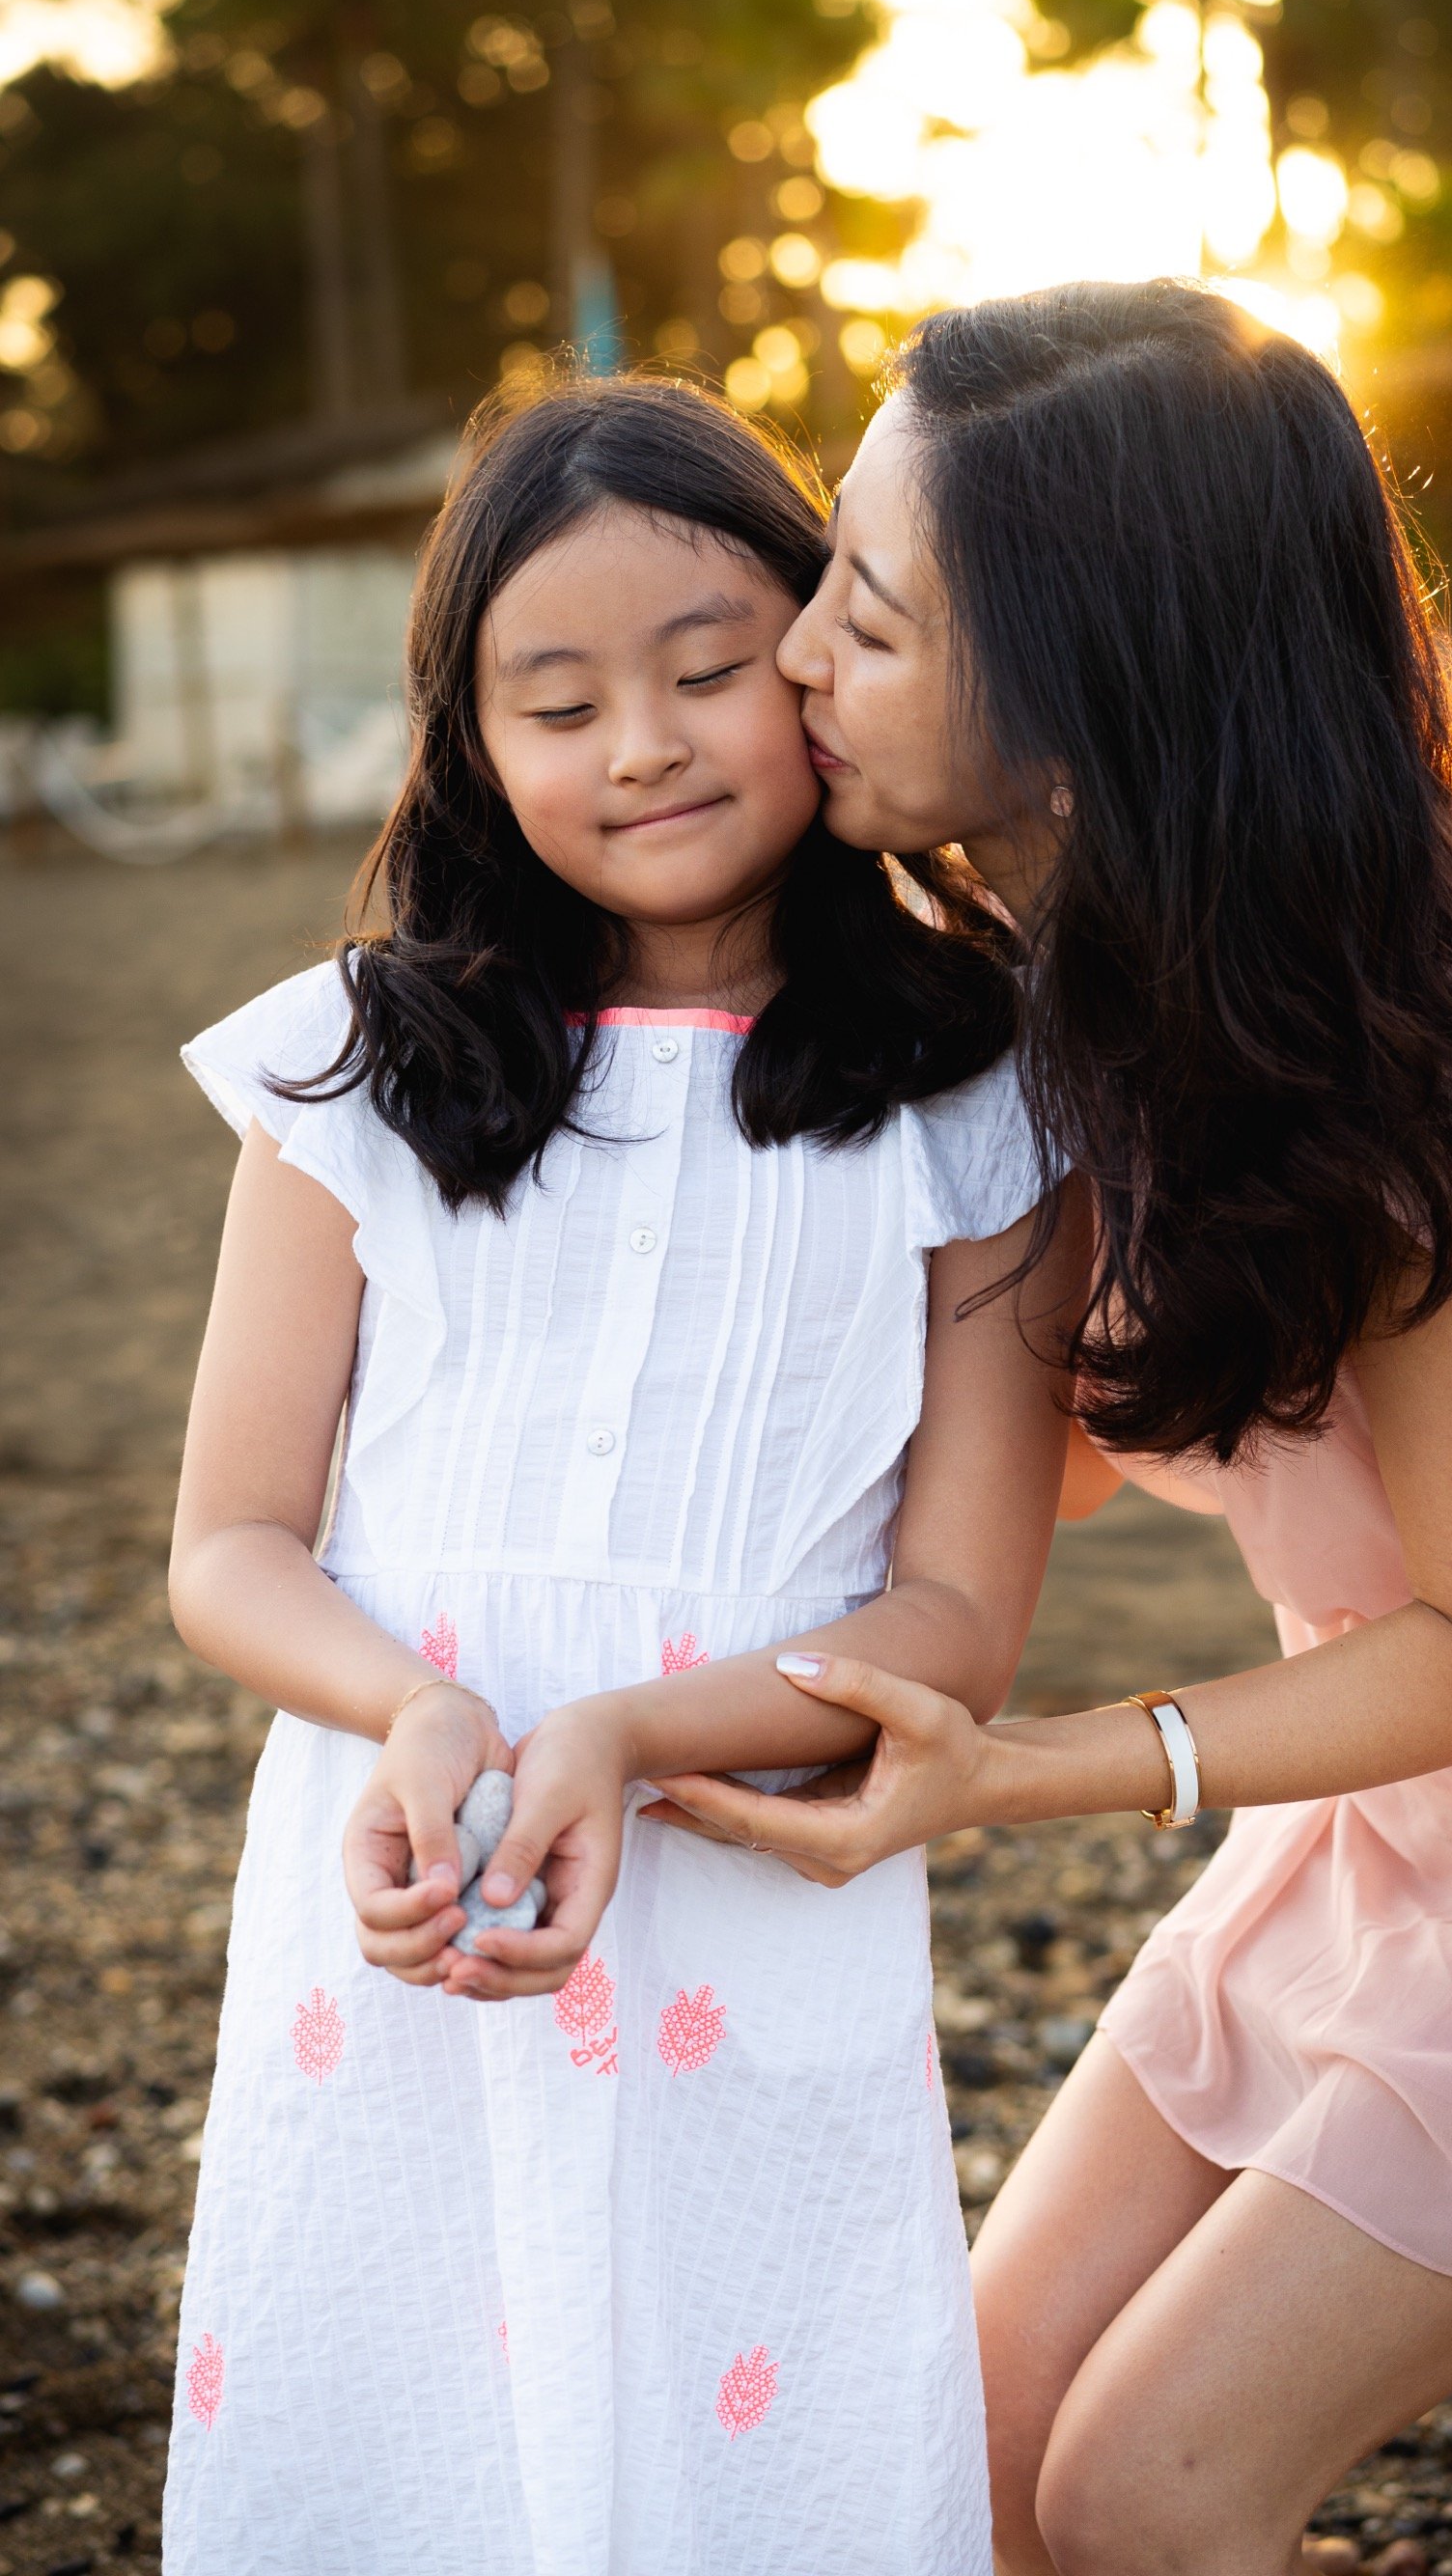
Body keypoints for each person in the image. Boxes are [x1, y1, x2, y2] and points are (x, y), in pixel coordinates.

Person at [643, 282, 1452, 2576]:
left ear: (1091, 725)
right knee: (972, 2448)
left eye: (871, 625)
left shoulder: (1424, 1087)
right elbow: (1075, 1437)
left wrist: (1024, 1769)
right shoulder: (1081, 980)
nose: (796, 655)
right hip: (1380, 1831)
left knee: (1145, 2492)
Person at [162, 375, 1083, 2576]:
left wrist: (631, 1729)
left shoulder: (978, 1090)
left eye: (705, 673)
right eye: (558, 702)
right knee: (402, 2416)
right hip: (406, 1868)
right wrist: (417, 1710)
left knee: (743, 2431)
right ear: (469, 739)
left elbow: (958, 1615)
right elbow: (228, 1537)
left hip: (740, 1856)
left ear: (821, 662)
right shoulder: (353, 1063)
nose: (644, 747)